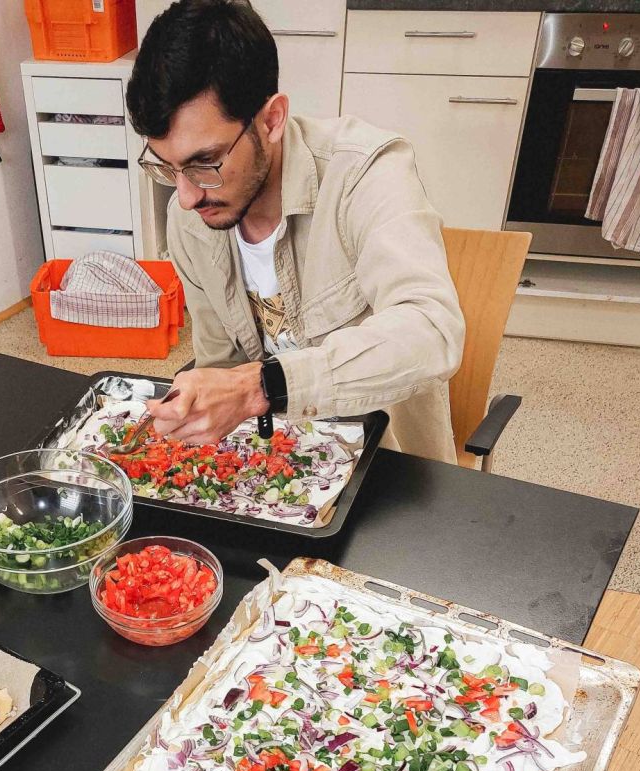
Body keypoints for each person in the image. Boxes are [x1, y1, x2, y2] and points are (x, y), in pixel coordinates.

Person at [125, 0, 465, 461]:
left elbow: (433, 331)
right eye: (167, 167)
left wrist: (262, 386)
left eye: (205, 162)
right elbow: (219, 366)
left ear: (271, 119)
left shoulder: (365, 173)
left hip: (389, 465)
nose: (186, 197)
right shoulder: (190, 221)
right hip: (274, 463)